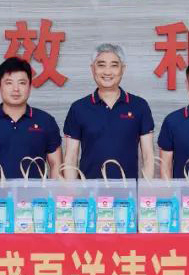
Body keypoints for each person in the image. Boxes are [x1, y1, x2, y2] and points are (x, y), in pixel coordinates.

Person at [62, 43, 155, 179]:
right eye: (101, 65)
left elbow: (148, 156)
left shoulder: (139, 106)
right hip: (89, 189)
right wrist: (72, 189)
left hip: (128, 189)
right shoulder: (78, 108)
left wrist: (146, 188)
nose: (107, 72)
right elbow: (71, 157)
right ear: (92, 69)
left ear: (123, 69)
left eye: (114, 65)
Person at [0, 57, 63, 179]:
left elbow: (56, 165)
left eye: (22, 83)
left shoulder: (46, 121)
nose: (16, 89)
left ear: (30, 87)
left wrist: (53, 190)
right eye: (9, 83)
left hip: (35, 192)